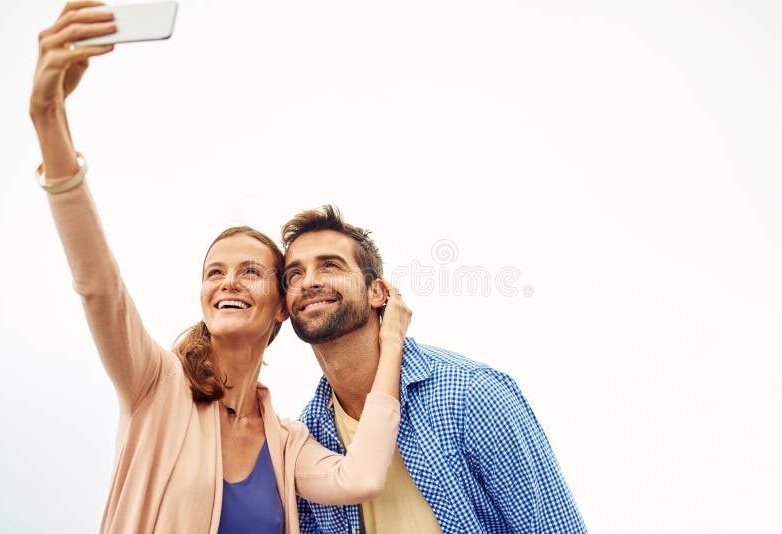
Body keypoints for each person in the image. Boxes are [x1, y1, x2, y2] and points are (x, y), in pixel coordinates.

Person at [30, 3, 411, 533]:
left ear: (282, 306)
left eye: (250, 272)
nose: (228, 282)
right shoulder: (154, 386)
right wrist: (49, 120)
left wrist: (391, 341)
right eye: (214, 272)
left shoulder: (286, 441)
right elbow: (98, 286)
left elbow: (362, 477)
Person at [282, 206, 588, 533]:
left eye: (330, 265)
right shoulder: (307, 438)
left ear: (377, 292)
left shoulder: (472, 394)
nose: (309, 281)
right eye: (294, 275)